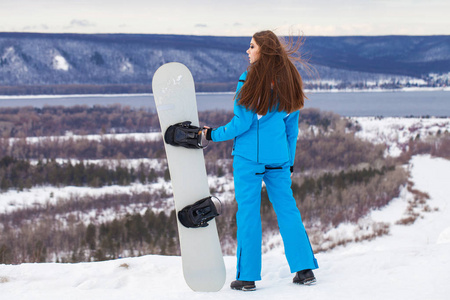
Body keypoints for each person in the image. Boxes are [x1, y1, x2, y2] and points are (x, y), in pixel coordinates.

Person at [203, 30, 318, 291]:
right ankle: (304, 270)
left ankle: (247, 277)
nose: (248, 50)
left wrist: (211, 134)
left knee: (249, 215)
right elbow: (292, 128)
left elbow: (241, 124)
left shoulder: (249, 79)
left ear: (262, 50)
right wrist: (289, 160)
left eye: (252, 46)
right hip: (279, 159)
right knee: (288, 211)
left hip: (248, 160)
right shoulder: (289, 79)